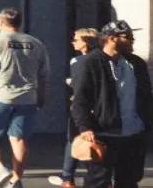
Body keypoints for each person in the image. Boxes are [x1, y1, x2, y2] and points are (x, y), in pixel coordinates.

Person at [68, 21, 153, 188]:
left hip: (133, 133)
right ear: (111, 38)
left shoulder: (136, 64)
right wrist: (85, 127)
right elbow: (80, 99)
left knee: (129, 181)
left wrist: (149, 124)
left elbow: (146, 96)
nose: (132, 40)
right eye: (128, 37)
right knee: (98, 180)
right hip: (103, 133)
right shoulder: (90, 62)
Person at [0, 7, 51, 188]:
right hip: (28, 97)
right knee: (19, 138)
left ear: (0, 22)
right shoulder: (36, 43)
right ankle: (15, 180)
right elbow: (44, 74)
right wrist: (41, 97)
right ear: (19, 23)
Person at [52, 29, 99, 188]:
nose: (73, 42)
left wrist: (71, 82)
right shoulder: (102, 60)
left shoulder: (78, 61)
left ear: (86, 42)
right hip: (96, 107)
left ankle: (68, 177)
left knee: (73, 139)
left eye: (76, 39)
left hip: (82, 106)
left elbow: (79, 84)